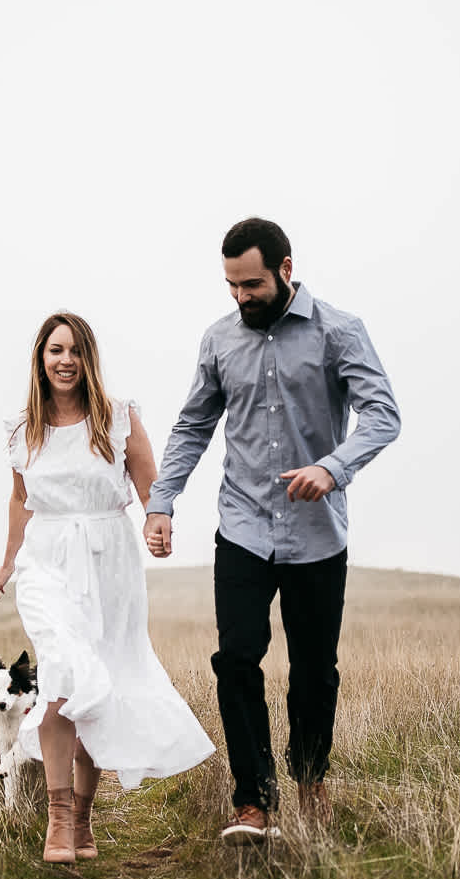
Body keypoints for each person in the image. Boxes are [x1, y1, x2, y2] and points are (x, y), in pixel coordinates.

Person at [144, 218, 401, 843]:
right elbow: (192, 427)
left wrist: (331, 468)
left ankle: (310, 779)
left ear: (286, 269)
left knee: (314, 669)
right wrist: (162, 502)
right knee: (236, 660)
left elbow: (383, 415)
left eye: (252, 284)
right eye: (231, 286)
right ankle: (252, 801)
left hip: (317, 536)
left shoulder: (340, 332)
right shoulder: (219, 340)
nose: (241, 297)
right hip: (243, 528)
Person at [0, 311, 215, 864]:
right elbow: (22, 500)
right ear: (40, 358)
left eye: (75, 351)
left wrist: (158, 524)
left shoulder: (116, 417)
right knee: (64, 673)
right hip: (47, 564)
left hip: (109, 562)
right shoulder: (23, 430)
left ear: (89, 359)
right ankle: (58, 821)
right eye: (54, 350)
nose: (65, 360)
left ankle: (83, 820)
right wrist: (9, 561)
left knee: (98, 684)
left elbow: (148, 484)